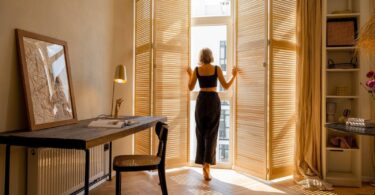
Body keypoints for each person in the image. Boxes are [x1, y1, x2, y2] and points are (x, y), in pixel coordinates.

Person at [187, 48, 238, 181]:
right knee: (211, 134)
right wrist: (234, 75)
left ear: (201, 57)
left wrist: (190, 74)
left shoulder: (197, 70)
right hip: (213, 100)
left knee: (201, 132)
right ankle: (207, 167)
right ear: (211, 56)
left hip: (202, 100)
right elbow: (226, 86)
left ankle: (202, 164)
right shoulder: (216, 68)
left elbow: (190, 87)